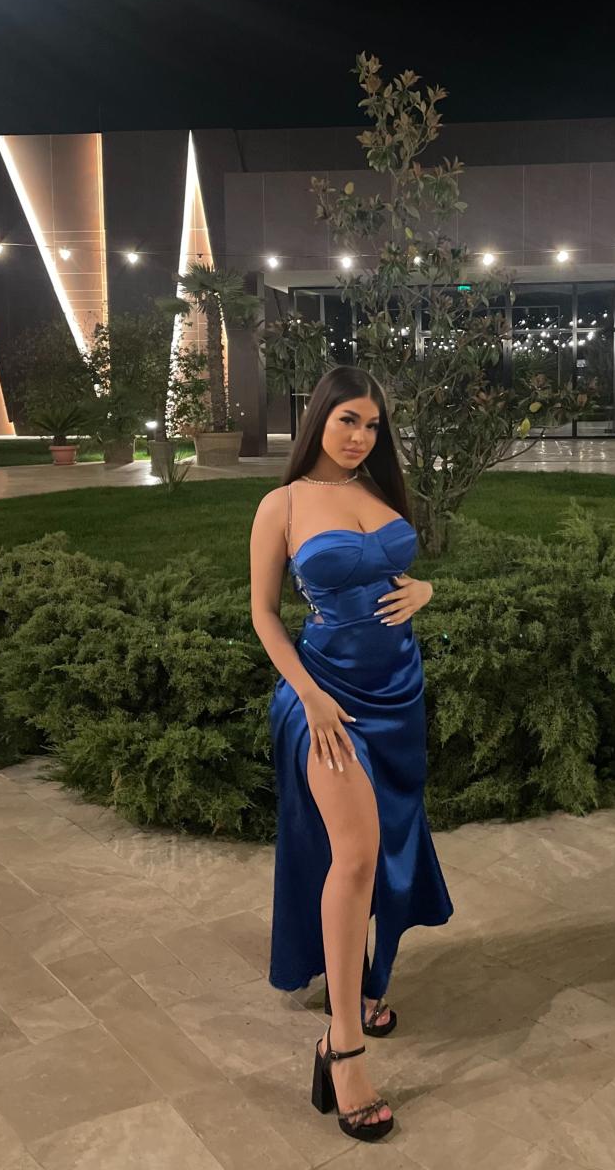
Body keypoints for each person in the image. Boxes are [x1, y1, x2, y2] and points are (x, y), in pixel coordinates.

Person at [250, 366, 454, 1142]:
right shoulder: (283, 505)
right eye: (347, 420)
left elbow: (390, 572)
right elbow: (264, 615)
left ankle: (366, 981)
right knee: (358, 854)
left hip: (398, 693)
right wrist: (307, 693)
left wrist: (425, 591)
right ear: (318, 419)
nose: (361, 436)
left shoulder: (378, 491)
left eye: (372, 424)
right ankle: (342, 1047)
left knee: (387, 841)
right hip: (325, 699)